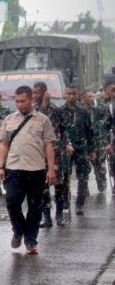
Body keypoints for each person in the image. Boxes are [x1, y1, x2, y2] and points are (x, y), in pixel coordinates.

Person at [0, 86, 56, 254]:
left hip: (36, 170)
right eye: (17, 101)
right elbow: (3, 144)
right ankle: (18, 230)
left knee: (35, 207)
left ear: (31, 100)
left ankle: (30, 239)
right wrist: (0, 166)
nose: (19, 104)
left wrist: (51, 169)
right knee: (12, 202)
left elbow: (49, 145)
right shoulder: (9, 119)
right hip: (14, 169)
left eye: (23, 101)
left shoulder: (43, 120)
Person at [33, 81, 68, 226]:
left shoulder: (55, 109)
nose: (34, 95)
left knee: (59, 185)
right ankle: (46, 216)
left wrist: (66, 145)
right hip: (38, 153)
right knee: (42, 187)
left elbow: (63, 129)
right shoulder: (33, 110)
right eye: (33, 92)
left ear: (45, 93)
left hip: (55, 153)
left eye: (37, 92)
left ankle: (59, 214)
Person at [59, 85, 96, 215]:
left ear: (78, 94)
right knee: (64, 176)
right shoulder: (60, 111)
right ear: (65, 94)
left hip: (81, 147)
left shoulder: (83, 111)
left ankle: (80, 203)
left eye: (74, 94)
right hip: (66, 148)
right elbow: (59, 131)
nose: (71, 96)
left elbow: (89, 131)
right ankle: (65, 201)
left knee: (83, 176)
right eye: (69, 94)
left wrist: (92, 149)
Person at [82, 90, 108, 193]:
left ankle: (101, 182)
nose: (92, 98)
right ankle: (84, 187)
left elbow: (106, 119)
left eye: (93, 96)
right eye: (89, 96)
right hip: (84, 143)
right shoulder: (80, 111)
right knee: (84, 167)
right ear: (83, 98)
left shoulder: (97, 110)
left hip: (96, 142)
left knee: (99, 165)